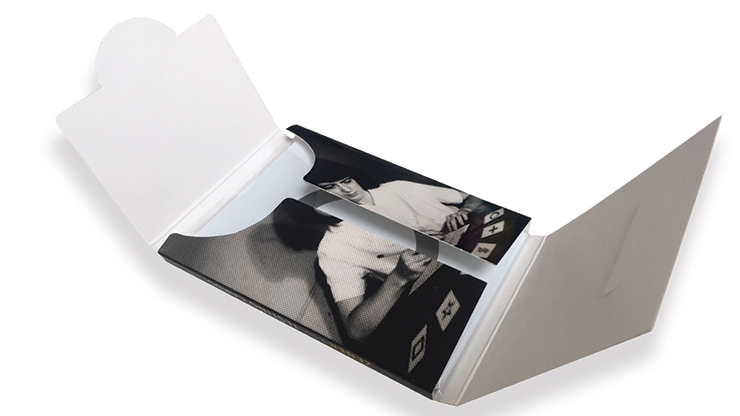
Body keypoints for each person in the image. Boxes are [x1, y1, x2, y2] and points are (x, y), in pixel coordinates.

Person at [308, 160, 486, 342]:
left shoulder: (397, 188)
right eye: (330, 188)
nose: (347, 190)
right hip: (444, 281)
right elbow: (356, 331)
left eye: (347, 181)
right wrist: (398, 277)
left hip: (478, 241)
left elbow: (475, 197)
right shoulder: (333, 249)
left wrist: (466, 210)